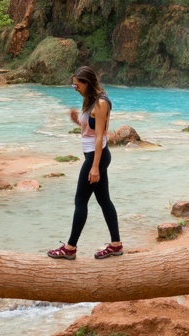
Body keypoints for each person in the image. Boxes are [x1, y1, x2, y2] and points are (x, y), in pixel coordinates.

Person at [47, 66, 123, 260]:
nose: (75, 88)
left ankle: (70, 248)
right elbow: (89, 129)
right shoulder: (90, 101)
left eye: (76, 85)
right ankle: (116, 244)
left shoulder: (100, 103)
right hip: (94, 156)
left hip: (96, 157)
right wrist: (76, 120)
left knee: (80, 201)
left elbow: (99, 137)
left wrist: (95, 166)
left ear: (87, 83)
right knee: (104, 200)